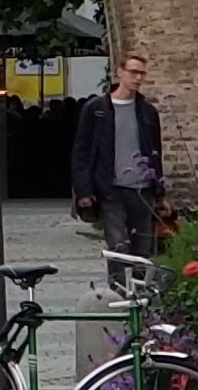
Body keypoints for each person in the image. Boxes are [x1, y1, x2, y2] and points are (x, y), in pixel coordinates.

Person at [70, 50, 166, 265]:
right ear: (120, 73)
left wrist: (160, 192)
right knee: (118, 248)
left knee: (143, 251)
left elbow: (154, 152)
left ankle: (141, 295)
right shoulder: (97, 109)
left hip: (142, 190)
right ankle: (119, 292)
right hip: (111, 189)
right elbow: (82, 150)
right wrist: (84, 190)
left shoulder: (147, 112)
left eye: (142, 73)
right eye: (133, 72)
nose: (138, 78)